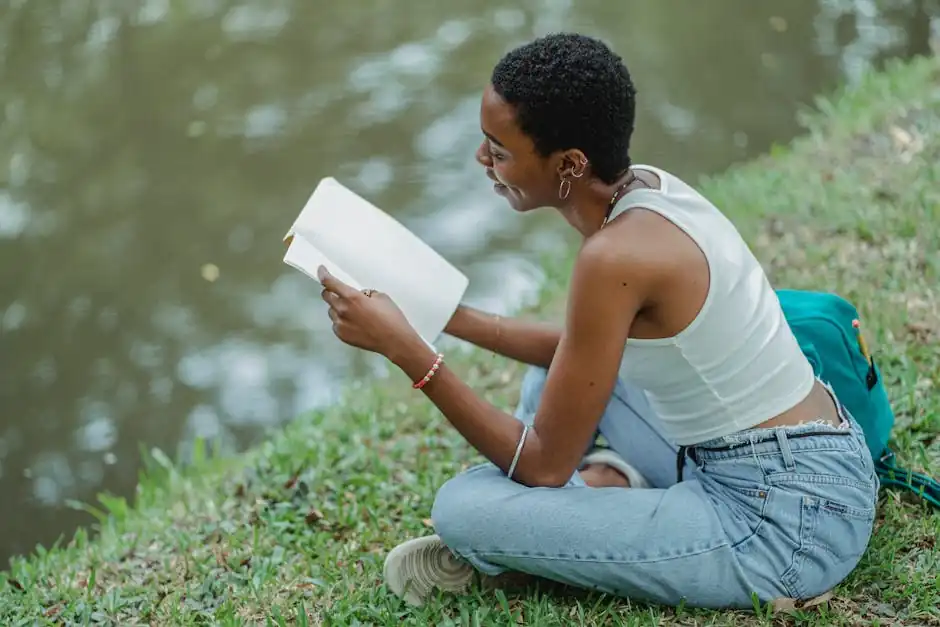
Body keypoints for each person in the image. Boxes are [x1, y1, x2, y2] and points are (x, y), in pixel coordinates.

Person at [315, 32, 878, 609]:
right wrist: (441, 315)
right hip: (801, 459)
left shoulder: (613, 258)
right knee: (549, 378)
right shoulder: (649, 190)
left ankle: (566, 528)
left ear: (570, 164)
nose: (482, 161)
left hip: (783, 527)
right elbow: (583, 347)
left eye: (498, 150)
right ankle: (607, 495)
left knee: (463, 508)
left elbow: (542, 465)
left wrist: (408, 351)